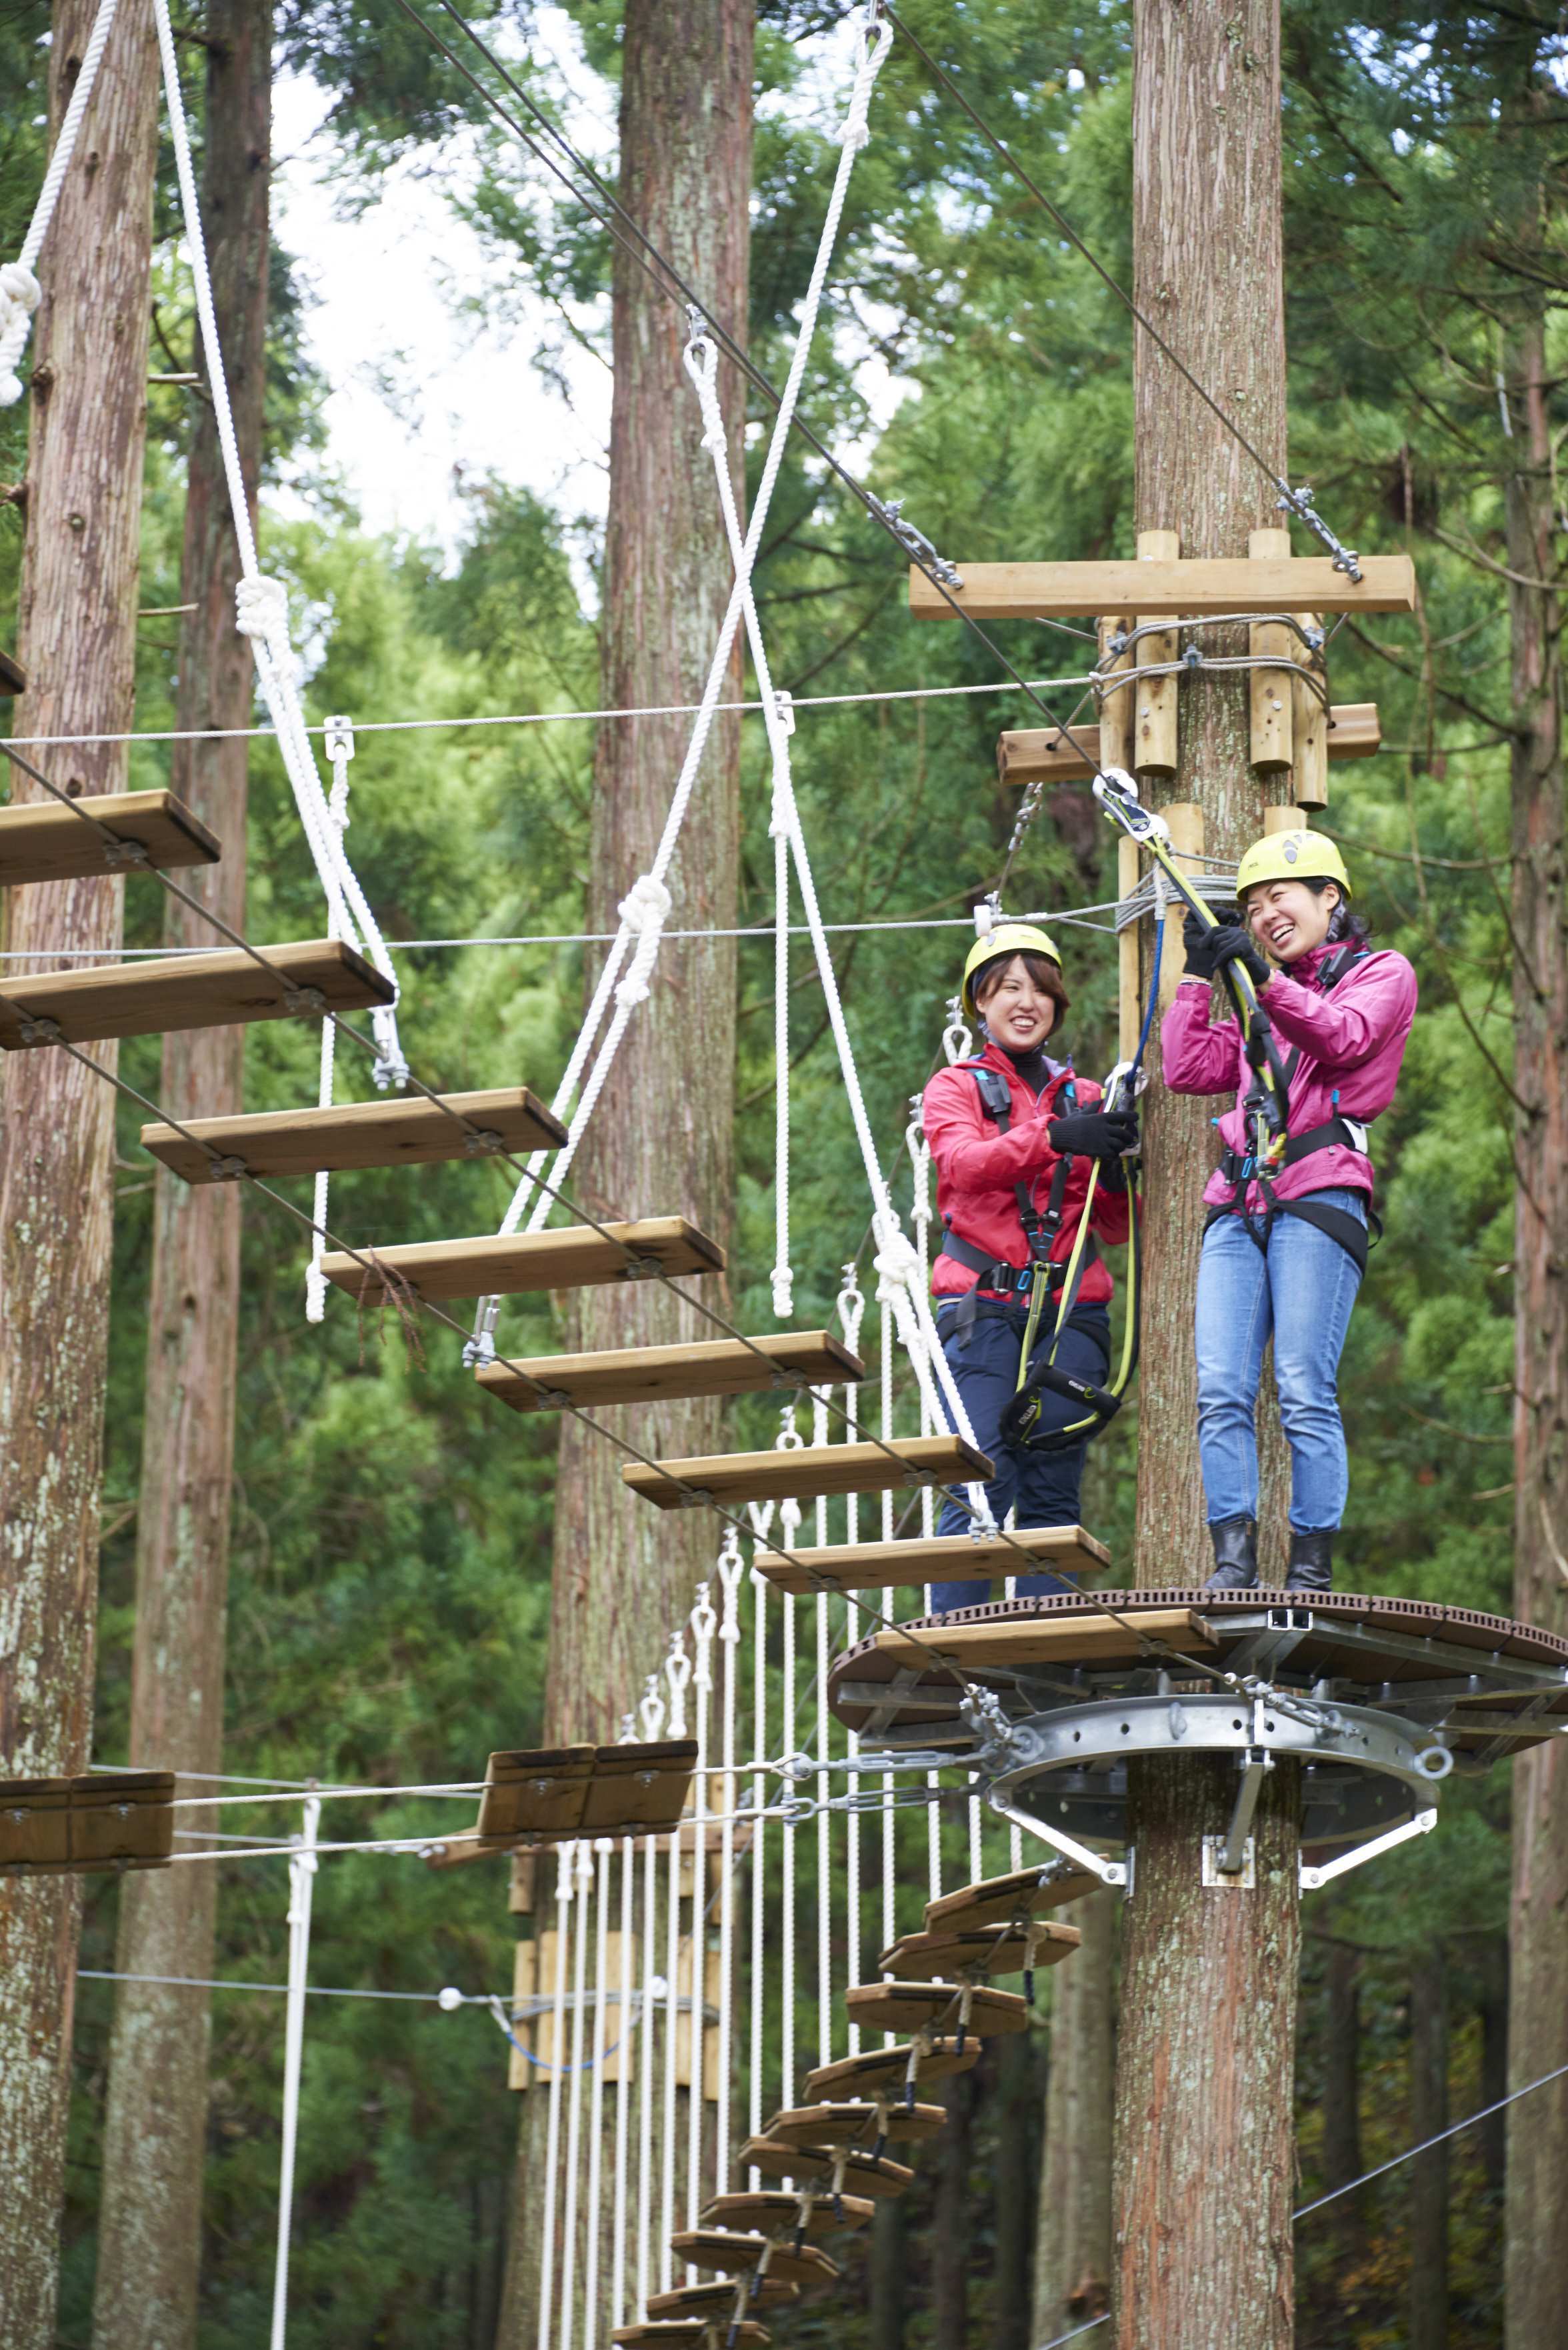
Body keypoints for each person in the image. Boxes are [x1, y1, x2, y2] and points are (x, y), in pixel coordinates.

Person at [1161, 829, 1417, 1593]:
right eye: (1254, 905)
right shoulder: (1258, 992)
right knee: (1220, 1389)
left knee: (1304, 1384)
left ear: (1329, 898)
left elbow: (1343, 1039)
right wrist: (1200, 982)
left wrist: (1260, 981)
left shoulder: (1381, 973)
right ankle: (1234, 1561)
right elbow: (1188, 1069)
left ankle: (1310, 1567)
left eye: (1281, 897)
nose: (1267, 913)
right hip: (1240, 1202)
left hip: (1318, 1193)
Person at [921, 924, 1138, 1612]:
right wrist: (1053, 1139)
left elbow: (1116, 1227)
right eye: (1009, 988)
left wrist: (1116, 1167)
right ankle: (955, 1647)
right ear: (979, 1004)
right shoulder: (955, 1088)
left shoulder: (1089, 1096)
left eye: (1040, 989)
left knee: (1051, 1477)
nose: (1026, 1002)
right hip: (982, 1306)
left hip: (1071, 1311)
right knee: (982, 1478)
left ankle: (1044, 1656)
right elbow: (961, 1164)